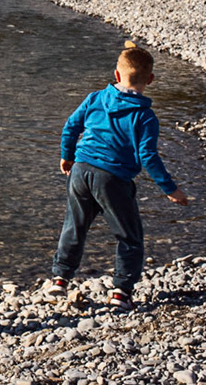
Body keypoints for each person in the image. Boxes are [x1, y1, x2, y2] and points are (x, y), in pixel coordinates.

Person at [43, 44, 188, 312]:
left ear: (116, 75)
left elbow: (71, 126)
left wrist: (67, 155)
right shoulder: (144, 117)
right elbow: (148, 157)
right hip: (114, 178)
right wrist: (170, 188)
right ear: (151, 80)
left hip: (81, 169)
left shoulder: (96, 98)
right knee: (128, 235)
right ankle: (121, 291)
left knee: (75, 224)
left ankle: (61, 277)